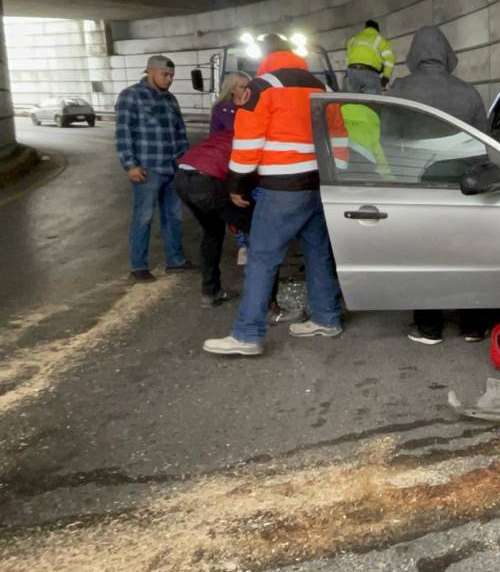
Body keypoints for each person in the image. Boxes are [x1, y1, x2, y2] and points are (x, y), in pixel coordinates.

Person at [202, 35, 345, 356]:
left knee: (262, 259)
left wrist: (236, 185)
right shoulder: (320, 89)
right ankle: (326, 318)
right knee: (318, 253)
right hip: (316, 186)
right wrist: (337, 179)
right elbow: (338, 136)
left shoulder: (261, 88)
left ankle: (247, 334)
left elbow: (247, 143)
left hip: (281, 189)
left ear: (264, 58)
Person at [388, 26, 489, 345]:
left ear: (414, 54)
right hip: (464, 186)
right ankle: (472, 325)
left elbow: (388, 140)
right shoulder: (469, 93)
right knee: (467, 256)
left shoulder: (400, 89)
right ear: (447, 54)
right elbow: (486, 146)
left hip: (419, 186)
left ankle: (429, 327)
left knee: (424, 256)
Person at [174, 72, 253, 307]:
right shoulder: (248, 137)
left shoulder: (226, 132)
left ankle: (210, 292)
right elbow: (242, 171)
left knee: (212, 232)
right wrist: (236, 192)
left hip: (183, 175)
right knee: (257, 231)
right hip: (207, 180)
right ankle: (268, 301)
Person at [115, 54, 194, 281]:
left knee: (174, 216)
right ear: (150, 71)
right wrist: (130, 165)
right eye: (165, 74)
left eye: (171, 76)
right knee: (143, 216)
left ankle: (175, 261)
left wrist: (184, 163)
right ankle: (138, 266)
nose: (169, 79)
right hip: (148, 169)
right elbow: (123, 134)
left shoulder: (170, 100)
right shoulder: (131, 97)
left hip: (172, 167)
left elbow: (180, 134)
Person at [345, 20, 395, 94]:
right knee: (372, 101)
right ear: (377, 29)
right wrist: (385, 78)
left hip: (352, 72)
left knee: (353, 100)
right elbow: (390, 60)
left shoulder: (354, 39)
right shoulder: (380, 39)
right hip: (369, 73)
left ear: (365, 28)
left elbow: (348, 57)